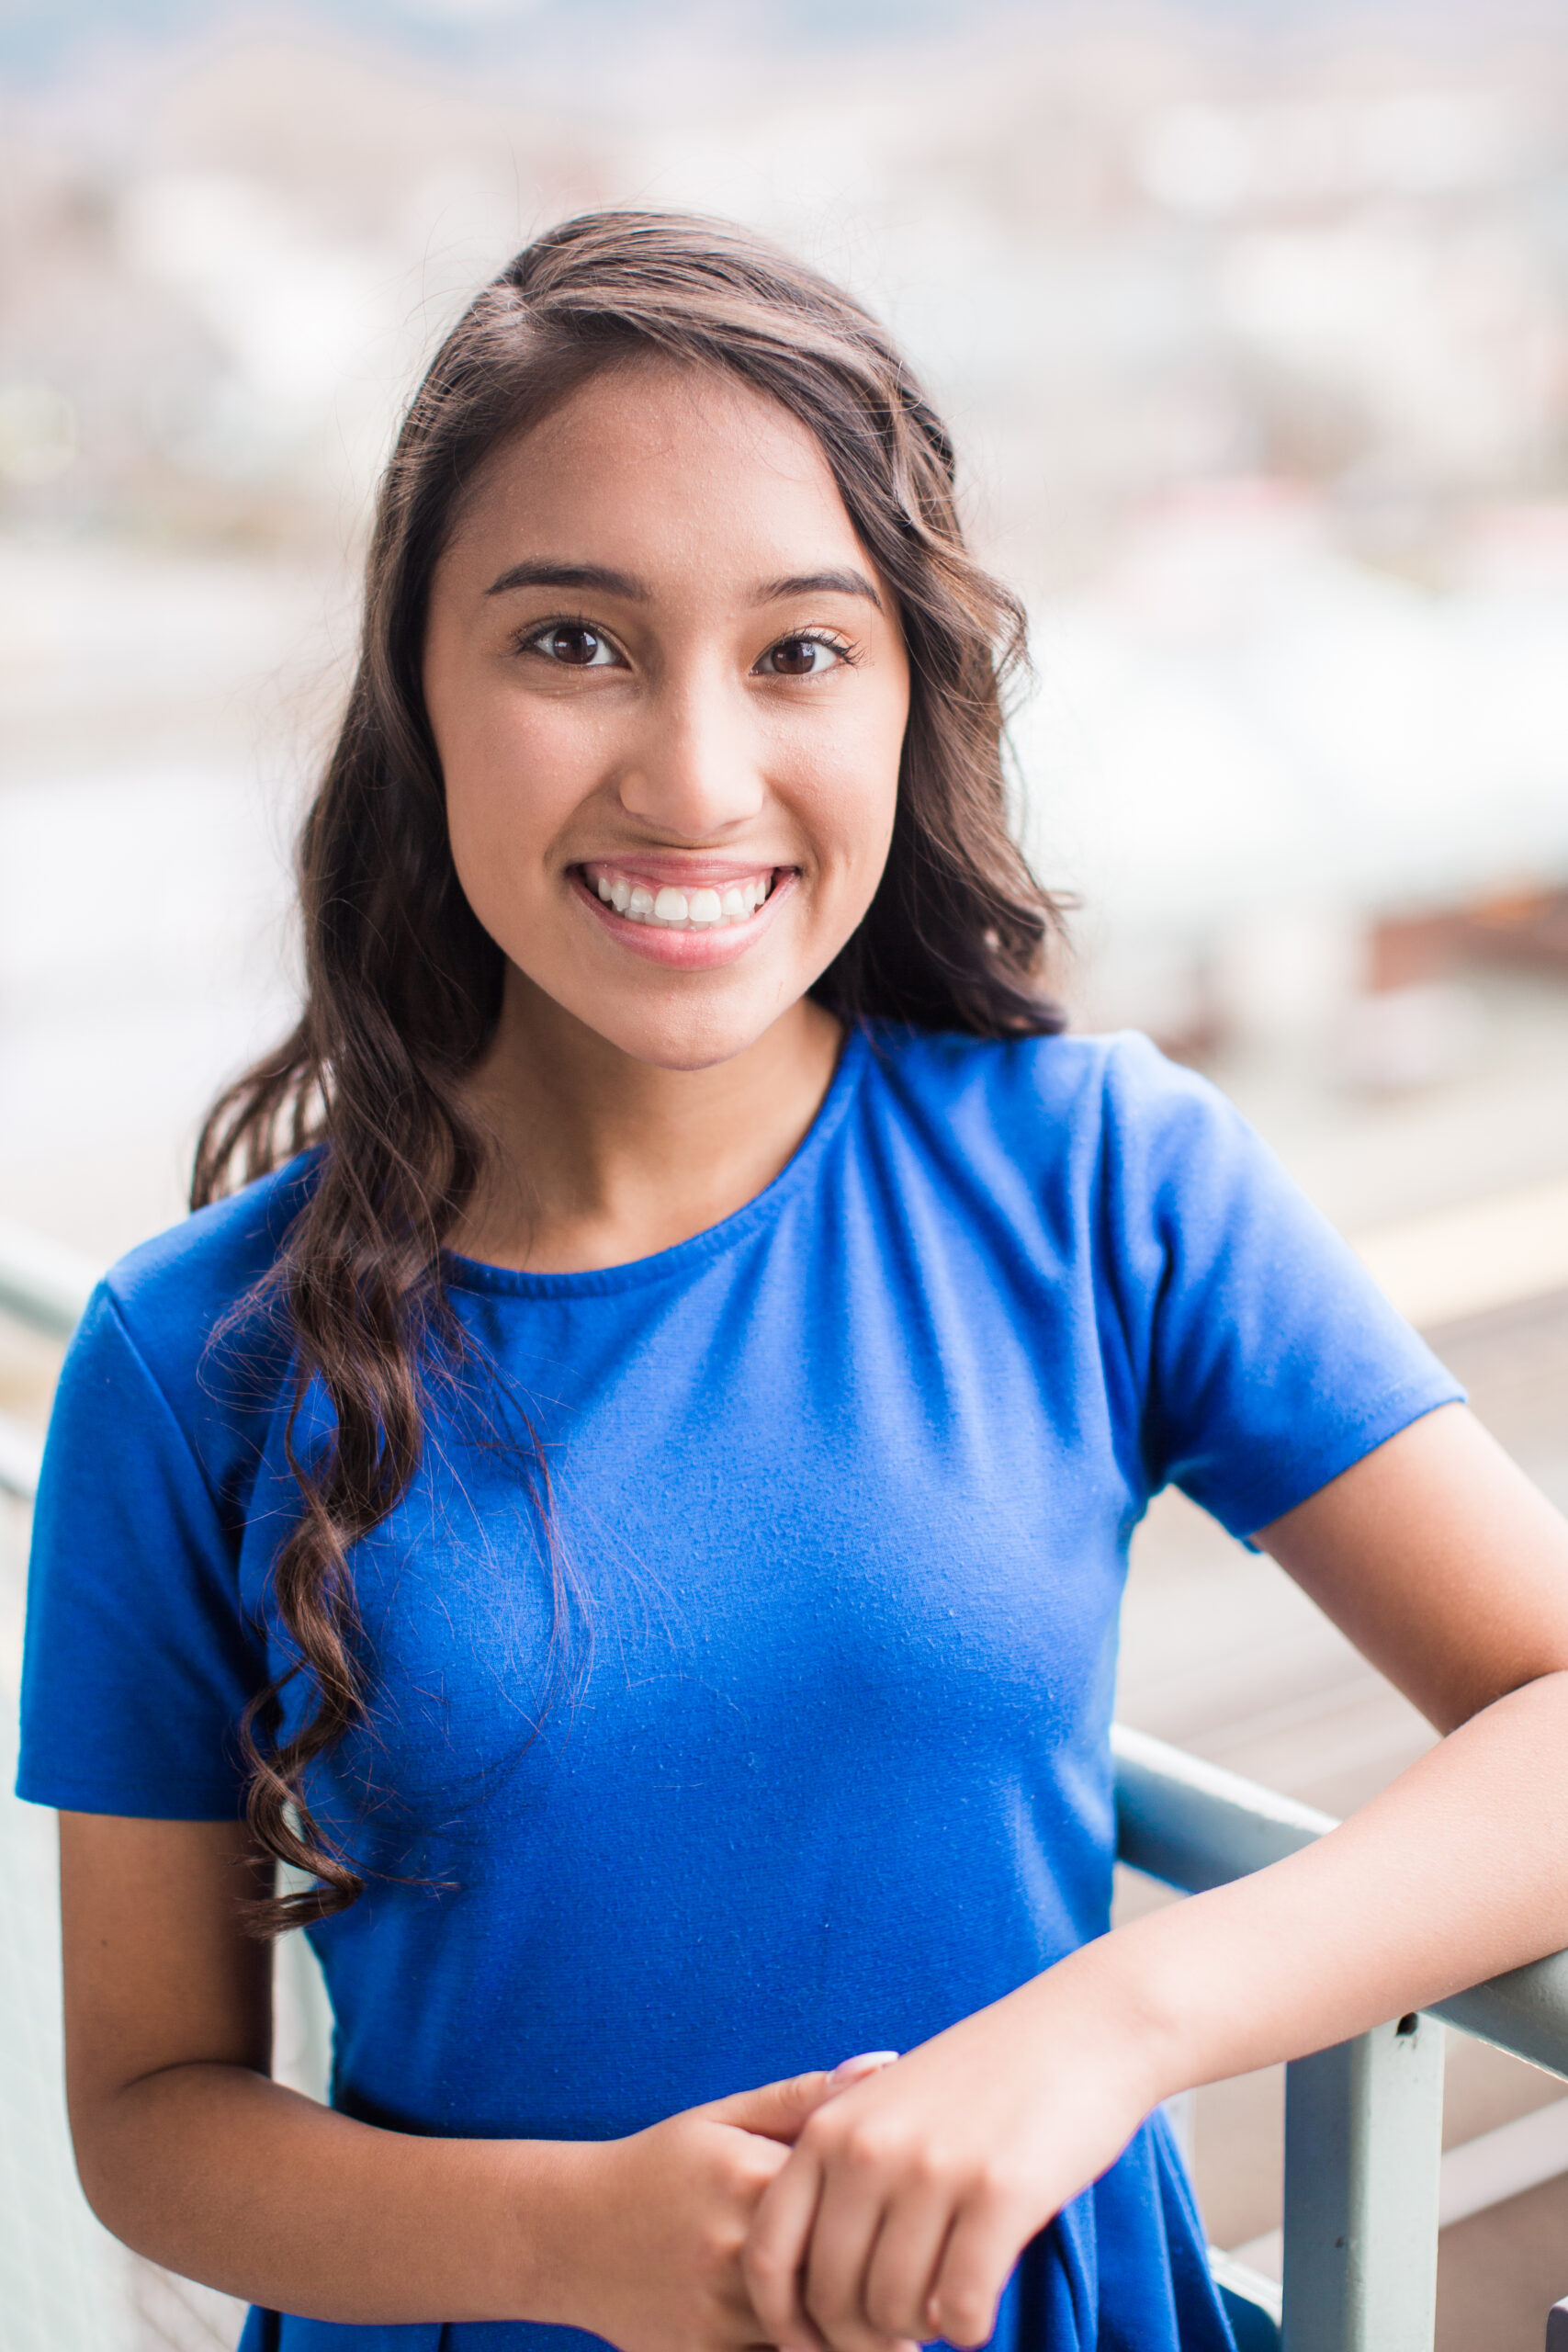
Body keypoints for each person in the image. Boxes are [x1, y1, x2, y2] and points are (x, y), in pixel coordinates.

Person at [17, 210, 1568, 2352]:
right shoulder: (187, 1354)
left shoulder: (1099, 1179)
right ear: (416, 689)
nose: (691, 776)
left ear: (909, 693)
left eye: (799, 651)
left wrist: (1107, 2019)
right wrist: (573, 2243)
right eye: (572, 640)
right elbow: (147, 2114)